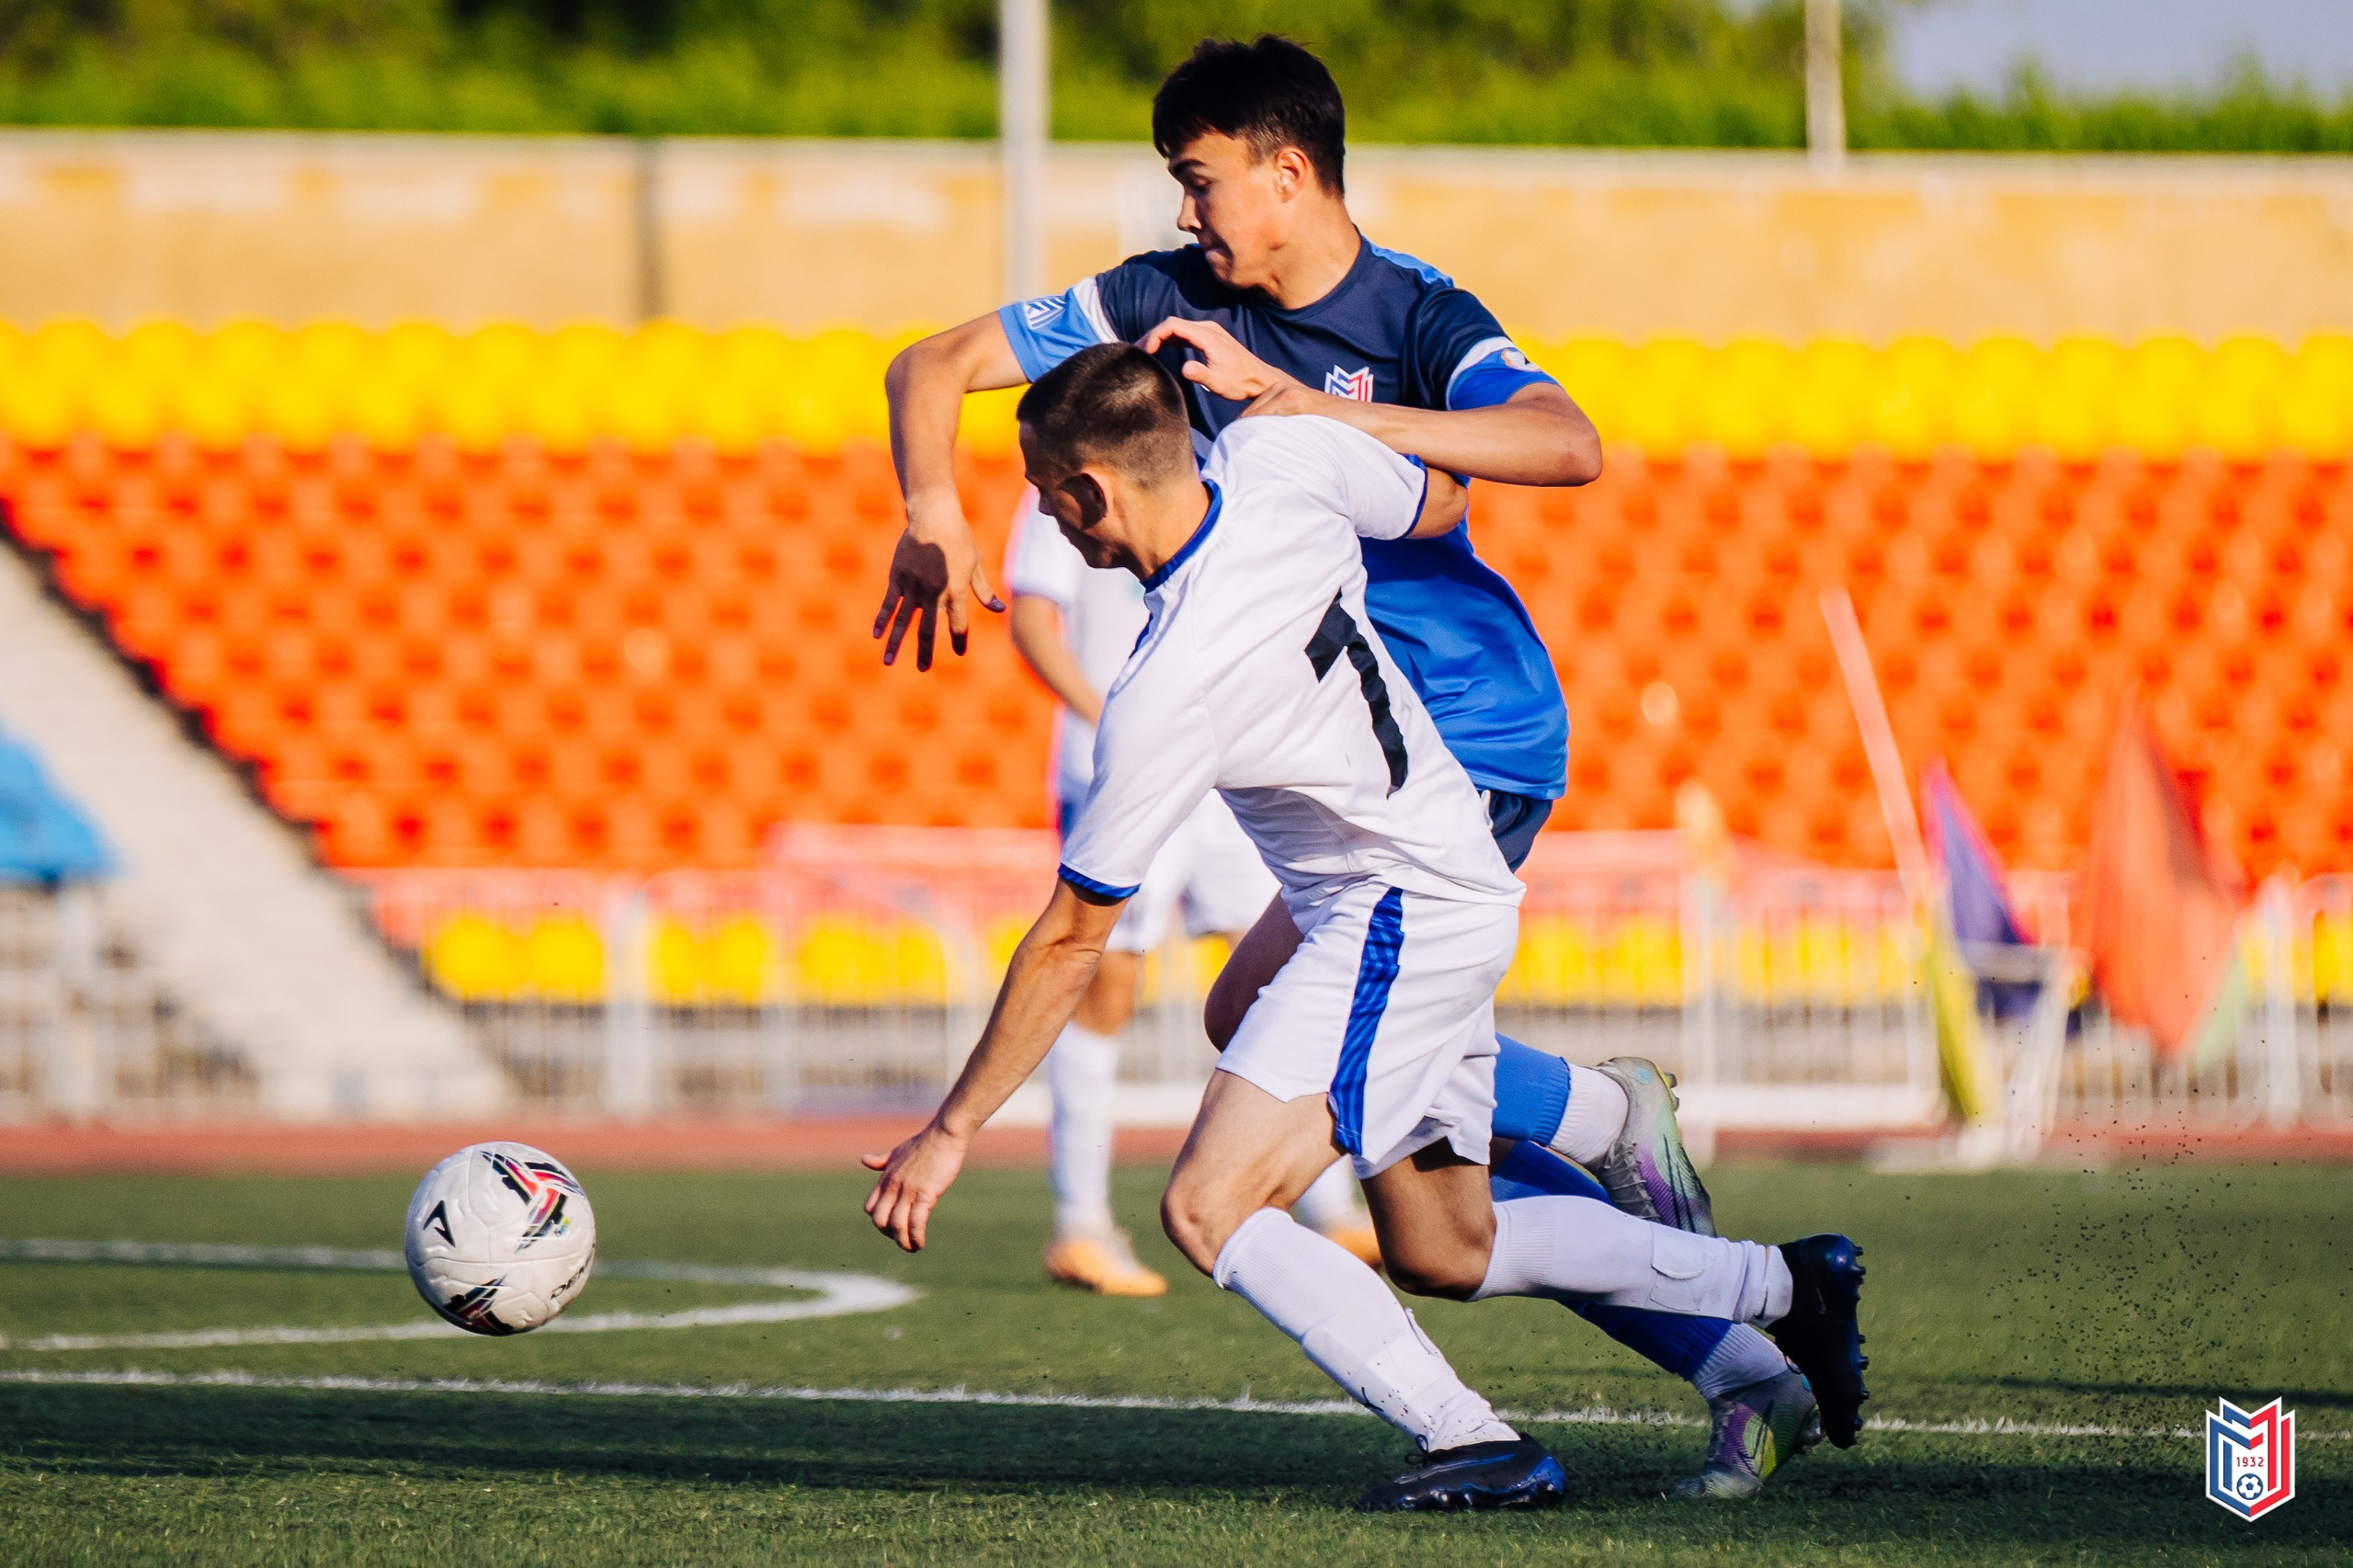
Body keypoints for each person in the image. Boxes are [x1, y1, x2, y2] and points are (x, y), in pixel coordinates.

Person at [870, 35, 1833, 1497]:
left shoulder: (1414, 315)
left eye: (1198, 184)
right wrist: (931, 503)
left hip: (1466, 735)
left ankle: (1607, 1204)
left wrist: (1311, 407)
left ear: (1287, 170)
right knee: (1419, 1207)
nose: (1182, 217)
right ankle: (1708, 1259)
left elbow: (1559, 448)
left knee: (1261, 1069)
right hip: (1344, 765)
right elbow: (930, 362)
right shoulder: (1160, 301)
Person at [1005, 494, 1379, 1295]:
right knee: (1105, 986)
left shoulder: (1225, 470)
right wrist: (1119, 720)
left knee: (1288, 970)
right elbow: (1033, 621)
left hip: (1223, 772)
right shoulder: (1073, 471)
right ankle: (1081, 1224)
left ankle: (1329, 1208)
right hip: (1121, 768)